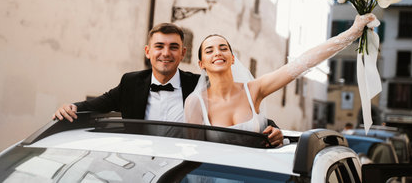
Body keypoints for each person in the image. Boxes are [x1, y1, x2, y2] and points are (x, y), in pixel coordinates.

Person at [52, 22, 283, 145]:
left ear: (183, 53)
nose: (166, 53)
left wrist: (273, 127)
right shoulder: (131, 83)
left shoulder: (198, 85)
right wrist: (71, 108)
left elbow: (238, 103)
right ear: (148, 52)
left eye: (173, 47)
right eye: (159, 46)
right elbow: (97, 105)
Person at [184, 14, 377, 134]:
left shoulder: (254, 90)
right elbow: (194, 154)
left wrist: (352, 33)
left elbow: (302, 63)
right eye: (209, 50)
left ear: (233, 58)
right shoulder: (195, 102)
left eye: (223, 48)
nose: (217, 52)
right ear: (201, 64)